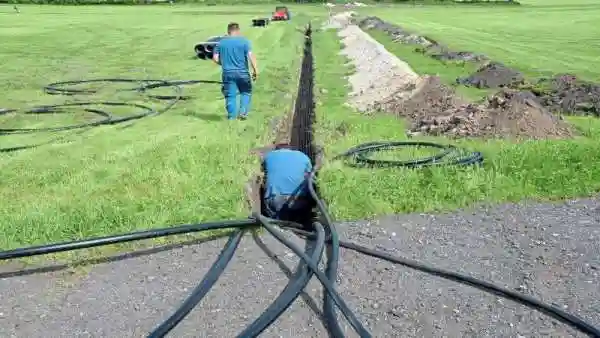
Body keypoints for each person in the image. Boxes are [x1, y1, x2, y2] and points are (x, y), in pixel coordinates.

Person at [212, 23, 258, 120]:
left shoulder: (221, 43)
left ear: (228, 31)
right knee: (246, 92)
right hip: (243, 73)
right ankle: (242, 113)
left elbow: (215, 58)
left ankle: (231, 117)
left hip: (227, 73)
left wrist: (224, 63)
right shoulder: (244, 42)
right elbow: (251, 56)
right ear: (238, 30)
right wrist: (255, 70)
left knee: (230, 95)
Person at [261, 144, 313, 220]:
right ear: (291, 149)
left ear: (277, 150)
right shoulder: (303, 156)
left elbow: (264, 173)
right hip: (299, 200)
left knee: (276, 221)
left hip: (275, 200)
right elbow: (311, 175)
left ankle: (277, 227)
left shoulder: (269, 156)